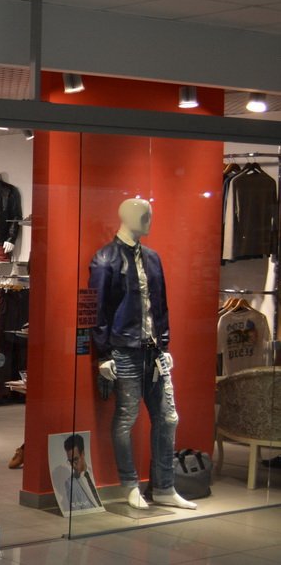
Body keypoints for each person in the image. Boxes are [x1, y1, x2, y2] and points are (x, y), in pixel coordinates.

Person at [88, 198, 196, 511]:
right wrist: (103, 353)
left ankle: (164, 486)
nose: (150, 220)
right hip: (124, 350)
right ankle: (130, 484)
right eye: (145, 215)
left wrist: (165, 345)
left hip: (153, 350)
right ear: (127, 217)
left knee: (168, 417)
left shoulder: (152, 258)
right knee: (127, 417)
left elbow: (160, 306)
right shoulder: (105, 259)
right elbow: (97, 310)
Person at [62, 433, 102, 512]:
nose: (73, 465)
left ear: (83, 453)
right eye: (70, 461)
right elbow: (76, 511)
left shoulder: (95, 470)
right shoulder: (70, 483)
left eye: (75, 459)